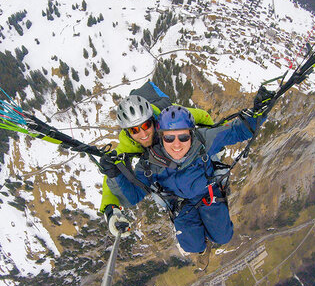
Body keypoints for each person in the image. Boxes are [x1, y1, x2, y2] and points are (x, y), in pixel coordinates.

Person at [100, 102, 268, 270]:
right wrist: (114, 175)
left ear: (190, 133)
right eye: (169, 138)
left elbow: (237, 130)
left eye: (183, 137)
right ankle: (203, 249)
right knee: (192, 246)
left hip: (207, 194)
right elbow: (133, 196)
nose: (177, 144)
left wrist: (261, 111)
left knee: (223, 237)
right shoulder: (149, 164)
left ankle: (209, 237)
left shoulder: (203, 140)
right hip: (181, 205)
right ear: (162, 136)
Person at [99, 81, 215, 238]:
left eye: (146, 125)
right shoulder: (127, 145)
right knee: (159, 195)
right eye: (134, 130)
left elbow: (203, 116)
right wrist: (110, 208)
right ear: (127, 132)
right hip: (159, 164)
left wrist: (213, 146)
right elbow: (113, 172)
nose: (143, 134)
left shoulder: (170, 116)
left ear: (153, 121)